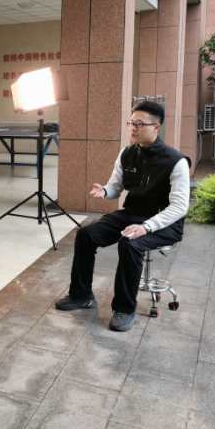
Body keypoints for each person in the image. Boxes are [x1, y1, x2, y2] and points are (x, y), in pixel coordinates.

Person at [54, 101, 190, 332]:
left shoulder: (176, 162)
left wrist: (146, 227)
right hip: (132, 214)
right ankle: (81, 295)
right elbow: (116, 187)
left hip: (163, 222)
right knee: (86, 235)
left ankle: (125, 309)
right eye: (131, 123)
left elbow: (179, 207)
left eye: (139, 124)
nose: (133, 128)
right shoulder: (127, 153)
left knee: (130, 243)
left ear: (156, 127)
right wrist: (105, 191)